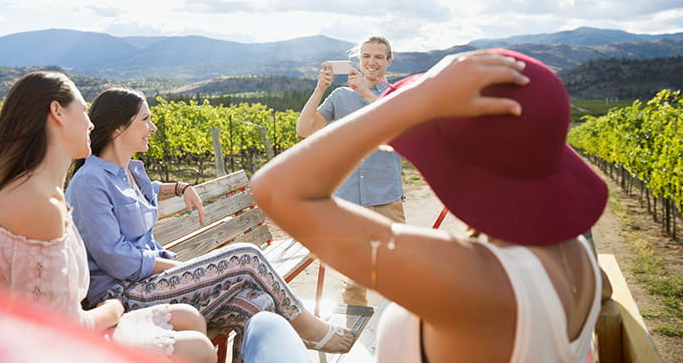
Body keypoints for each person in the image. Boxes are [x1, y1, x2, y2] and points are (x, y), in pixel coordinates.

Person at [251, 50, 613, 362]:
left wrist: (417, 100)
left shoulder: (472, 278)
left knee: (264, 327)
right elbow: (603, 290)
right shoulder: (576, 258)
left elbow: (277, 189)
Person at [65, 87, 356, 360]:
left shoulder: (130, 172)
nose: (153, 128)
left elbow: (147, 191)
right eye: (146, 119)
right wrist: (182, 268)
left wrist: (180, 187)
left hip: (156, 285)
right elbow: (116, 259)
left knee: (257, 304)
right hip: (125, 296)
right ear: (118, 127)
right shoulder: (90, 181)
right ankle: (309, 328)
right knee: (246, 256)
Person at [0, 71, 216, 363]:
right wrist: (113, 310)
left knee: (190, 318)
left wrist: (177, 188)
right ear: (57, 113)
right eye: (85, 112)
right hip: (34, 348)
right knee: (198, 348)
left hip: (30, 333)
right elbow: (56, 330)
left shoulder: (27, 189)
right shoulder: (40, 204)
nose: (92, 124)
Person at [295, 35, 404, 306]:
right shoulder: (340, 96)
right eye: (366, 56)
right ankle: (356, 330)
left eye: (379, 57)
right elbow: (304, 130)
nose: (371, 62)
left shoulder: (396, 95)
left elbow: (396, 132)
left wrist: (366, 94)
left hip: (386, 196)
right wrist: (320, 88)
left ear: (389, 61)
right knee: (355, 275)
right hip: (348, 199)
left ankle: (398, 326)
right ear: (358, 60)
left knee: (399, 267)